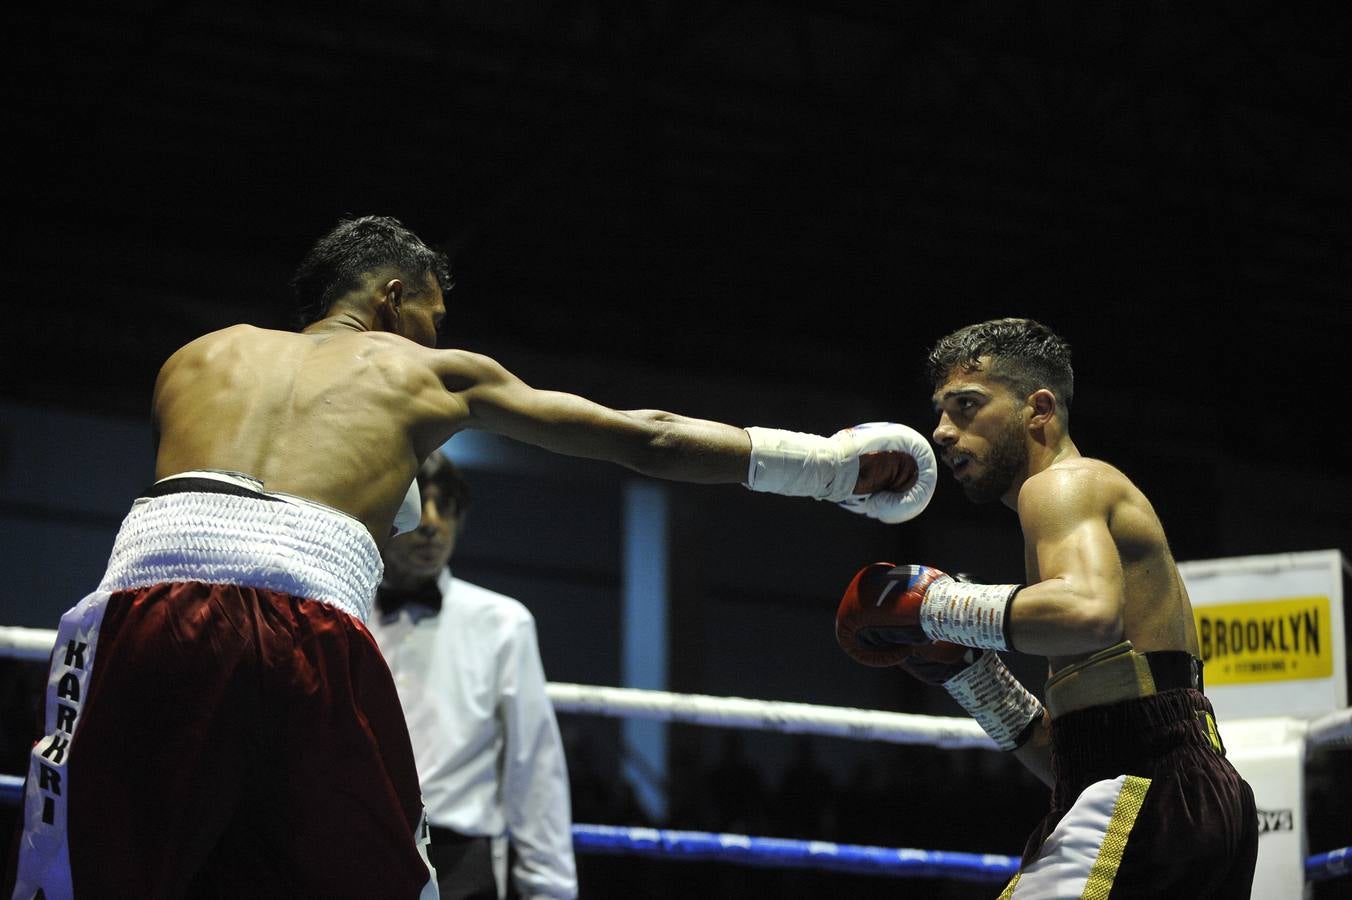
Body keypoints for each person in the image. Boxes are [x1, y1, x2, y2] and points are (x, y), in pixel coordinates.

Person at [7, 214, 938, 900]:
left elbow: (211, 515)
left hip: (145, 606)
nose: (436, 339)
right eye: (433, 316)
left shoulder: (196, 356)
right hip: (309, 619)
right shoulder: (424, 371)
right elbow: (641, 436)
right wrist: (823, 467)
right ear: (392, 297)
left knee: (96, 875)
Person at [833, 318, 1258, 898]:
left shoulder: (1062, 484)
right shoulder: (1066, 512)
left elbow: (1088, 611)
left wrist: (931, 604)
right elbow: (1077, 758)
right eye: (940, 411)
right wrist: (972, 675)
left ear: (1038, 409)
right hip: (1170, 795)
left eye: (966, 405)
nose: (942, 431)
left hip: (1145, 793)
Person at [370, 451, 576, 900]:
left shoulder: (502, 622)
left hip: (462, 858)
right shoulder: (340, 611)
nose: (431, 523)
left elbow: (534, 764)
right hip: (356, 843)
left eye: (446, 506)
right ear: (384, 512)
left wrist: (550, 890)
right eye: (419, 503)